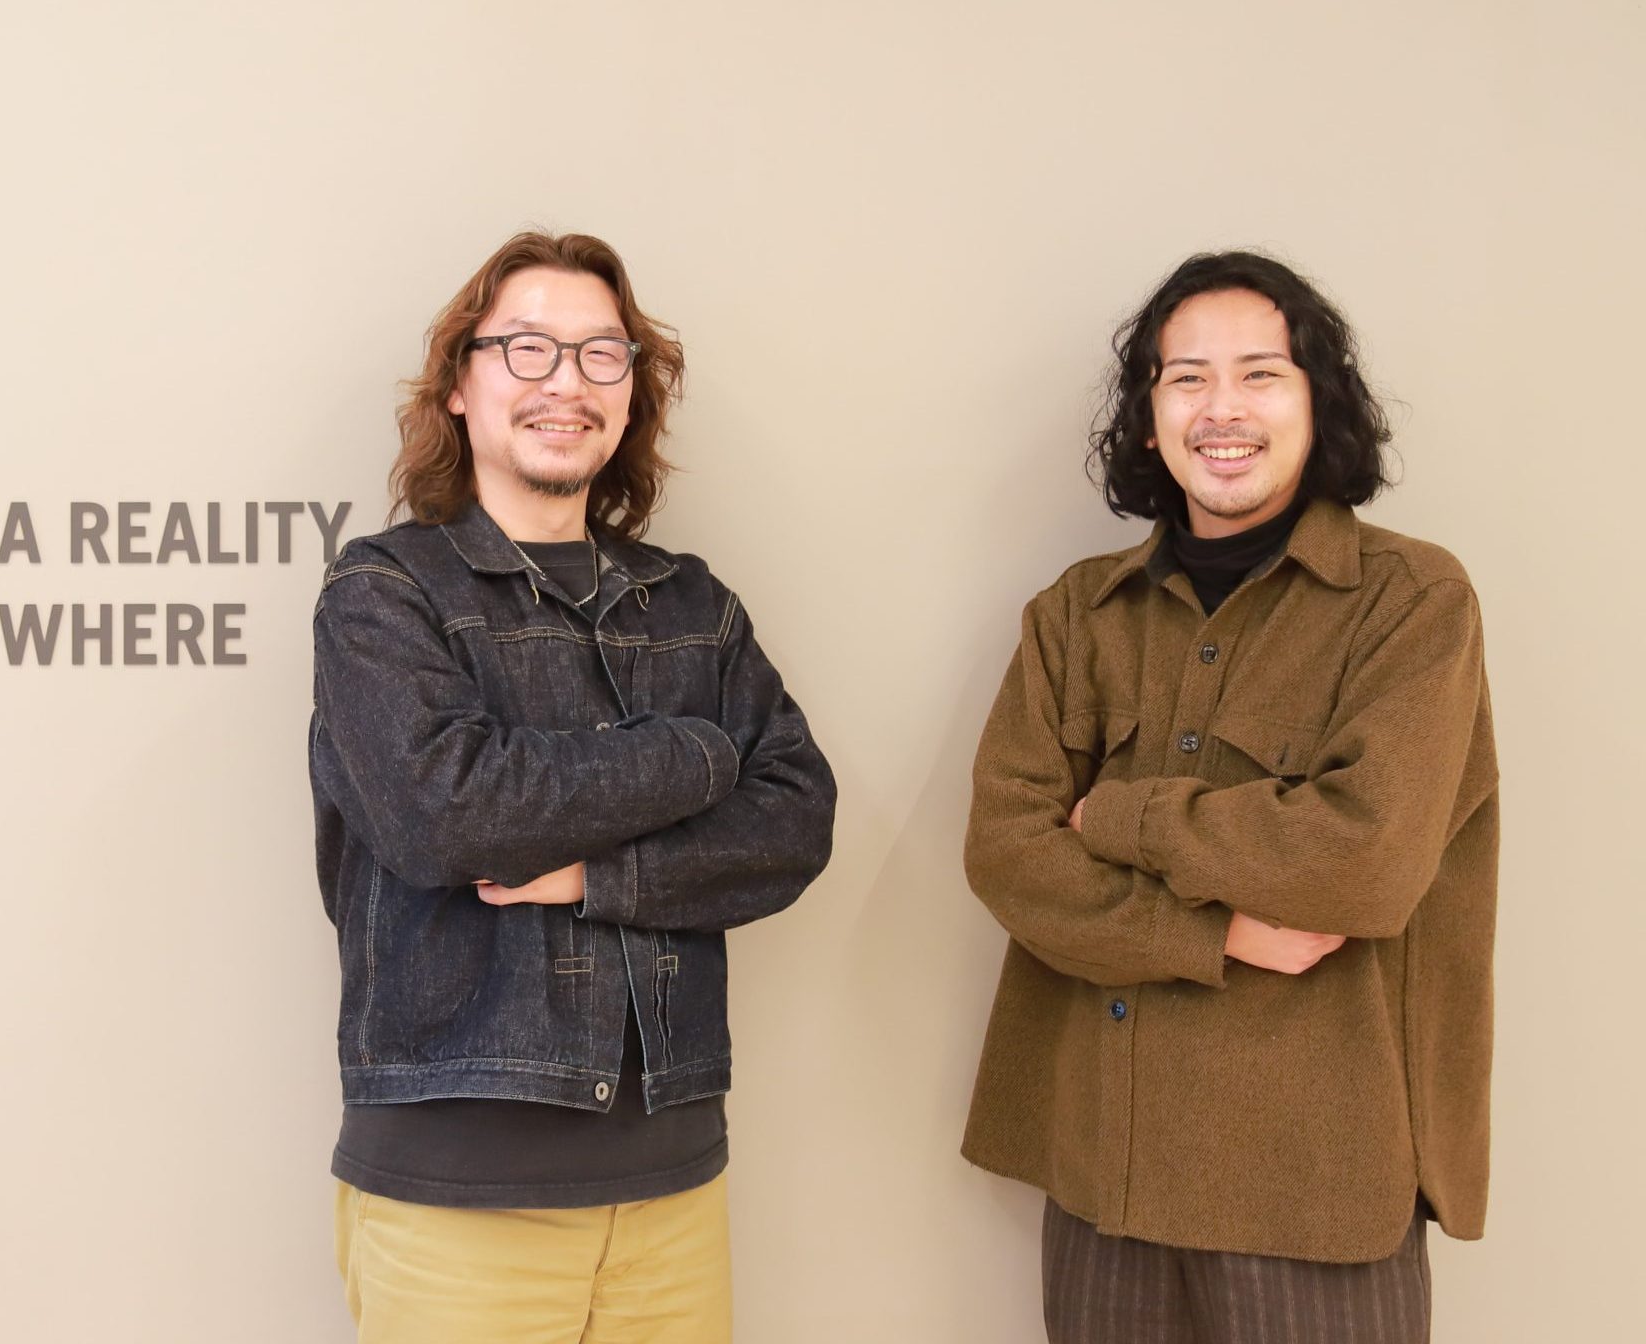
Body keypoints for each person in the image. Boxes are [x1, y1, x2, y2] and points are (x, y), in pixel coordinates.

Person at [960, 250, 1499, 1343]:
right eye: (1187, 378)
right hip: (1101, 1175)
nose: (1222, 409)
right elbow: (1007, 852)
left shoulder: (1413, 601)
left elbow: (1366, 859)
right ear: (1149, 418)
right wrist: (1220, 932)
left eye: (1261, 374)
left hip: (1313, 1188)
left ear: (1318, 402)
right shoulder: (1074, 615)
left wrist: (1118, 816)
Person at [309, 231, 836, 1342]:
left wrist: (597, 874)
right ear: (459, 384)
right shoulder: (383, 593)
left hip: (674, 1186)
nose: (566, 382)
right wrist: (695, 753)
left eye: (602, 353)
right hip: (457, 1195)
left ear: (631, 392)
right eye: (527, 348)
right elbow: (445, 814)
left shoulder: (693, 605)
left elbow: (795, 819)